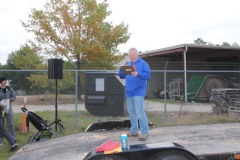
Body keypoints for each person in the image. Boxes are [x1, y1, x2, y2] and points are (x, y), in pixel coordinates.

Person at [119, 47, 151, 141]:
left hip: (139, 91)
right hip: (129, 91)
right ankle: (134, 131)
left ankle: (145, 132)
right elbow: (122, 76)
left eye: (133, 55)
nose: (132, 57)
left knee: (140, 112)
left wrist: (138, 74)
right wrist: (121, 69)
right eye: (130, 55)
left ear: (137, 54)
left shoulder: (143, 64)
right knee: (131, 112)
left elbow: (148, 76)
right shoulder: (128, 64)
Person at [0, 77, 17, 146]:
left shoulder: (9, 89)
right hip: (0, 109)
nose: (5, 82)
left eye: (5, 80)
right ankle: (1, 140)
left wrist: (9, 100)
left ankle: (13, 139)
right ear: (1, 82)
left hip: (8, 109)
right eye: (3, 80)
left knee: (10, 124)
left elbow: (14, 97)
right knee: (1, 126)